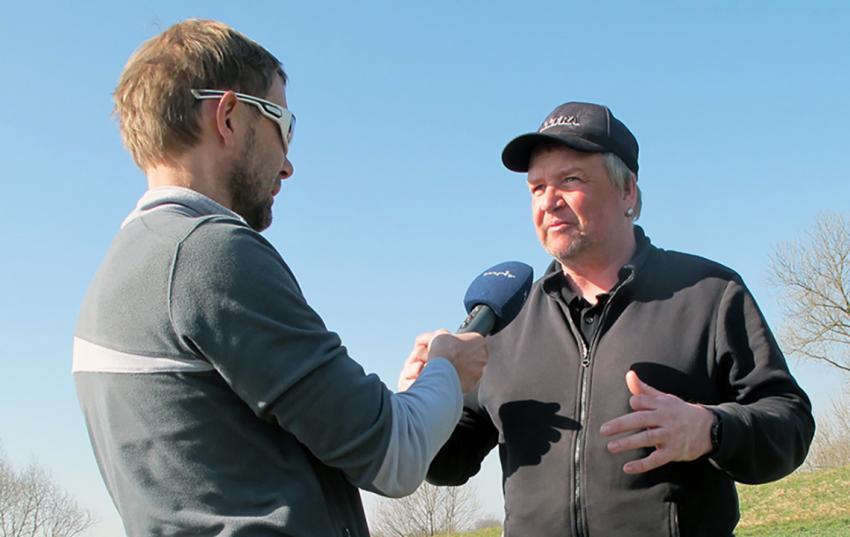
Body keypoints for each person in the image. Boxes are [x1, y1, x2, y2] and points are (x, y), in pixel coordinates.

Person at [72, 19, 488, 537]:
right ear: (227, 116)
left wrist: (413, 398)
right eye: (283, 126)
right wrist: (448, 368)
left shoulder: (120, 274)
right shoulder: (209, 254)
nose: (288, 164)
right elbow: (396, 457)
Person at [427, 101, 815, 537]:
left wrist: (710, 429)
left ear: (627, 191)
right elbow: (447, 464)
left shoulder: (709, 292)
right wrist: (427, 398)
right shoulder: (505, 319)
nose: (549, 202)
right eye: (536, 188)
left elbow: (790, 422)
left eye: (569, 180)